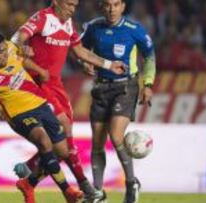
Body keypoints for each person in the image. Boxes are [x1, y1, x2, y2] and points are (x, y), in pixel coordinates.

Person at [10, 0, 126, 201]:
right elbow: (18, 36)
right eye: (69, 4)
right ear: (56, 2)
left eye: (75, 6)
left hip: (56, 85)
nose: (72, 9)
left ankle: (29, 179)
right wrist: (21, 47)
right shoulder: (43, 18)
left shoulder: (68, 23)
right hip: (37, 83)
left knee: (64, 141)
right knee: (63, 128)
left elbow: (80, 51)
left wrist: (108, 65)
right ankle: (85, 186)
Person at [0, 31, 84, 203]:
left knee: (62, 152)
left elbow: (22, 59)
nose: (6, 54)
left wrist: (39, 69)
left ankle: (28, 183)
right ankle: (67, 191)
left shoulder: (11, 48)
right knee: (44, 141)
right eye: (0, 52)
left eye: (5, 49)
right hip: (19, 115)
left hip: (40, 104)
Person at [80, 0, 156, 202]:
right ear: (101, 7)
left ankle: (131, 182)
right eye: (107, 5)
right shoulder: (93, 28)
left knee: (115, 136)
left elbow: (149, 56)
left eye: (116, 4)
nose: (111, 9)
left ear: (123, 6)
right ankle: (97, 192)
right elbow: (80, 49)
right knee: (97, 142)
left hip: (126, 86)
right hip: (100, 87)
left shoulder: (134, 29)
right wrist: (85, 63)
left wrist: (147, 84)